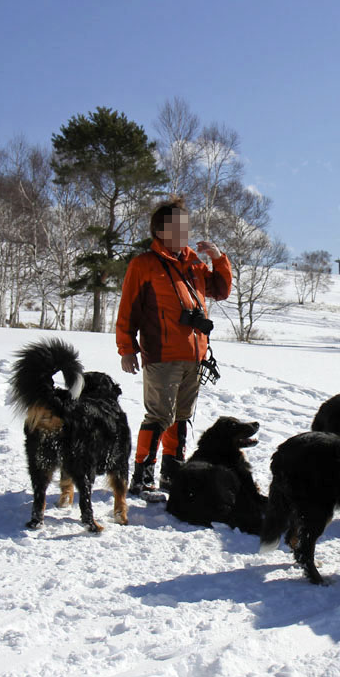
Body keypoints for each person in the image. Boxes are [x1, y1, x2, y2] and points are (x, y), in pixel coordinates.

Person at [115, 197, 232, 495]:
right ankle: (142, 475)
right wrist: (126, 348)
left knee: (181, 416)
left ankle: (172, 473)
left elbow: (220, 290)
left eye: (186, 226)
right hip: (162, 354)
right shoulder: (143, 265)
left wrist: (218, 259)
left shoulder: (194, 263)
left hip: (194, 355)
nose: (185, 232)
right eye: (178, 227)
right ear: (160, 231)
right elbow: (128, 310)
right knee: (159, 415)